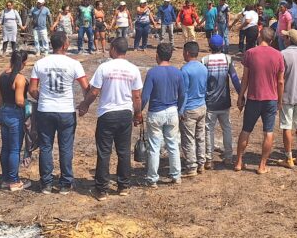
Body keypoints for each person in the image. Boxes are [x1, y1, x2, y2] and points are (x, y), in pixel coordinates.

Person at [78, 37, 143, 201]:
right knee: (123, 151)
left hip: (107, 114)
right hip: (125, 114)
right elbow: (137, 96)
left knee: (104, 152)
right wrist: (138, 114)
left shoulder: (104, 68)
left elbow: (94, 92)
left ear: (114, 49)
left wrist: (85, 105)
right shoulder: (133, 69)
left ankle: (102, 190)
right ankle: (123, 186)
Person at [29, 31, 88, 194]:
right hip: (66, 111)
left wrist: (41, 98)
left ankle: (46, 183)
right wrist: (85, 104)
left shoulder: (40, 63)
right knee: (66, 147)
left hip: (45, 110)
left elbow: (32, 89)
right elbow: (85, 87)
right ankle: (65, 183)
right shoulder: (74, 64)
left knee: (46, 146)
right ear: (64, 45)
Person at [235, 27, 285, 174]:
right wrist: (280, 101)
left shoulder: (250, 53)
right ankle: (262, 165)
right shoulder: (278, 55)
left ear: (259, 37)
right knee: (268, 132)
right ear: (272, 40)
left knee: (246, 130)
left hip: (253, 98)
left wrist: (240, 96)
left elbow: (245, 78)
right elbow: (280, 81)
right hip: (271, 98)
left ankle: (239, 162)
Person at [141, 42, 184, 188]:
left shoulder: (152, 72)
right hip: (172, 111)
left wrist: (138, 111)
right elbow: (183, 94)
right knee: (172, 144)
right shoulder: (177, 72)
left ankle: (152, 178)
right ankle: (176, 175)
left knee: (154, 146)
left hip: (156, 112)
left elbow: (145, 96)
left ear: (157, 55)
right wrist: (180, 110)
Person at [202, 34, 240, 167]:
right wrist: (241, 95)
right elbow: (235, 78)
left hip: (210, 102)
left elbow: (202, 81)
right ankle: (229, 157)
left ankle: (209, 159)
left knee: (209, 130)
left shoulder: (205, 60)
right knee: (227, 128)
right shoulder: (227, 59)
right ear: (222, 46)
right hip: (224, 101)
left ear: (210, 46)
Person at [0, 49, 30, 191]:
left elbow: (1, 98)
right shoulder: (20, 78)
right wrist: (29, 105)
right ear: (23, 63)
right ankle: (14, 181)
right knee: (15, 149)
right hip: (15, 114)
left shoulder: (2, 75)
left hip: (3, 111)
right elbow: (19, 100)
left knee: (6, 147)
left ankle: (5, 179)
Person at [279, 29, 297, 169]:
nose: (284, 39)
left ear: (289, 40)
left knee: (287, 126)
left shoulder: (283, 54)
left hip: (286, 95)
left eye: (285, 37)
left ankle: (288, 157)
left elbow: (279, 78)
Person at [180, 41, 208, 176]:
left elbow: (183, 92)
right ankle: (201, 163)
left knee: (189, 139)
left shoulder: (185, 70)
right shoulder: (203, 68)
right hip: (202, 106)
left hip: (190, 108)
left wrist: (181, 110)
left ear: (186, 53)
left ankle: (191, 166)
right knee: (200, 136)